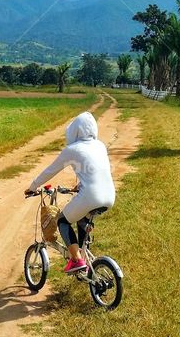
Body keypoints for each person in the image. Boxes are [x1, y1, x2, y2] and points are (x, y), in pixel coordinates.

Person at [25, 111, 115, 273]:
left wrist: (33, 187)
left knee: (62, 221)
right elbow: (96, 171)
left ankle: (77, 261)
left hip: (90, 196)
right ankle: (85, 260)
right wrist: (80, 185)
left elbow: (49, 171)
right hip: (109, 196)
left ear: (75, 130)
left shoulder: (72, 149)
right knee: (82, 220)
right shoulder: (100, 145)